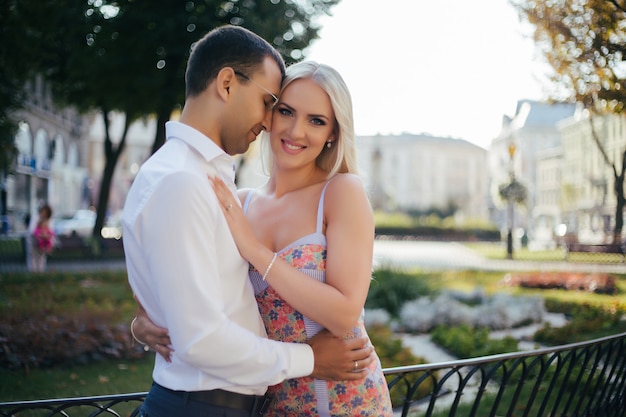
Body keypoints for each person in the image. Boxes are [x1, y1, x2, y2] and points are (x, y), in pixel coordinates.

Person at [122, 26, 374, 417]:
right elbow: (189, 299)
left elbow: (343, 313)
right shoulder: (232, 199)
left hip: (338, 398)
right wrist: (144, 320)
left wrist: (255, 251)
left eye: (317, 121)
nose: (294, 130)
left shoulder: (340, 192)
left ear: (333, 134)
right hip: (272, 401)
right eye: (280, 108)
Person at [29, 203, 54, 272]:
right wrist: (41, 235)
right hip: (34, 241)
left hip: (44, 242)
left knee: (42, 258)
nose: (44, 214)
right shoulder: (36, 218)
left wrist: (47, 236)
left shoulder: (49, 220)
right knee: (33, 258)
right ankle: (33, 272)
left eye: (46, 213)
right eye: (43, 212)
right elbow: (32, 231)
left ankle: (41, 272)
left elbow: (51, 231)